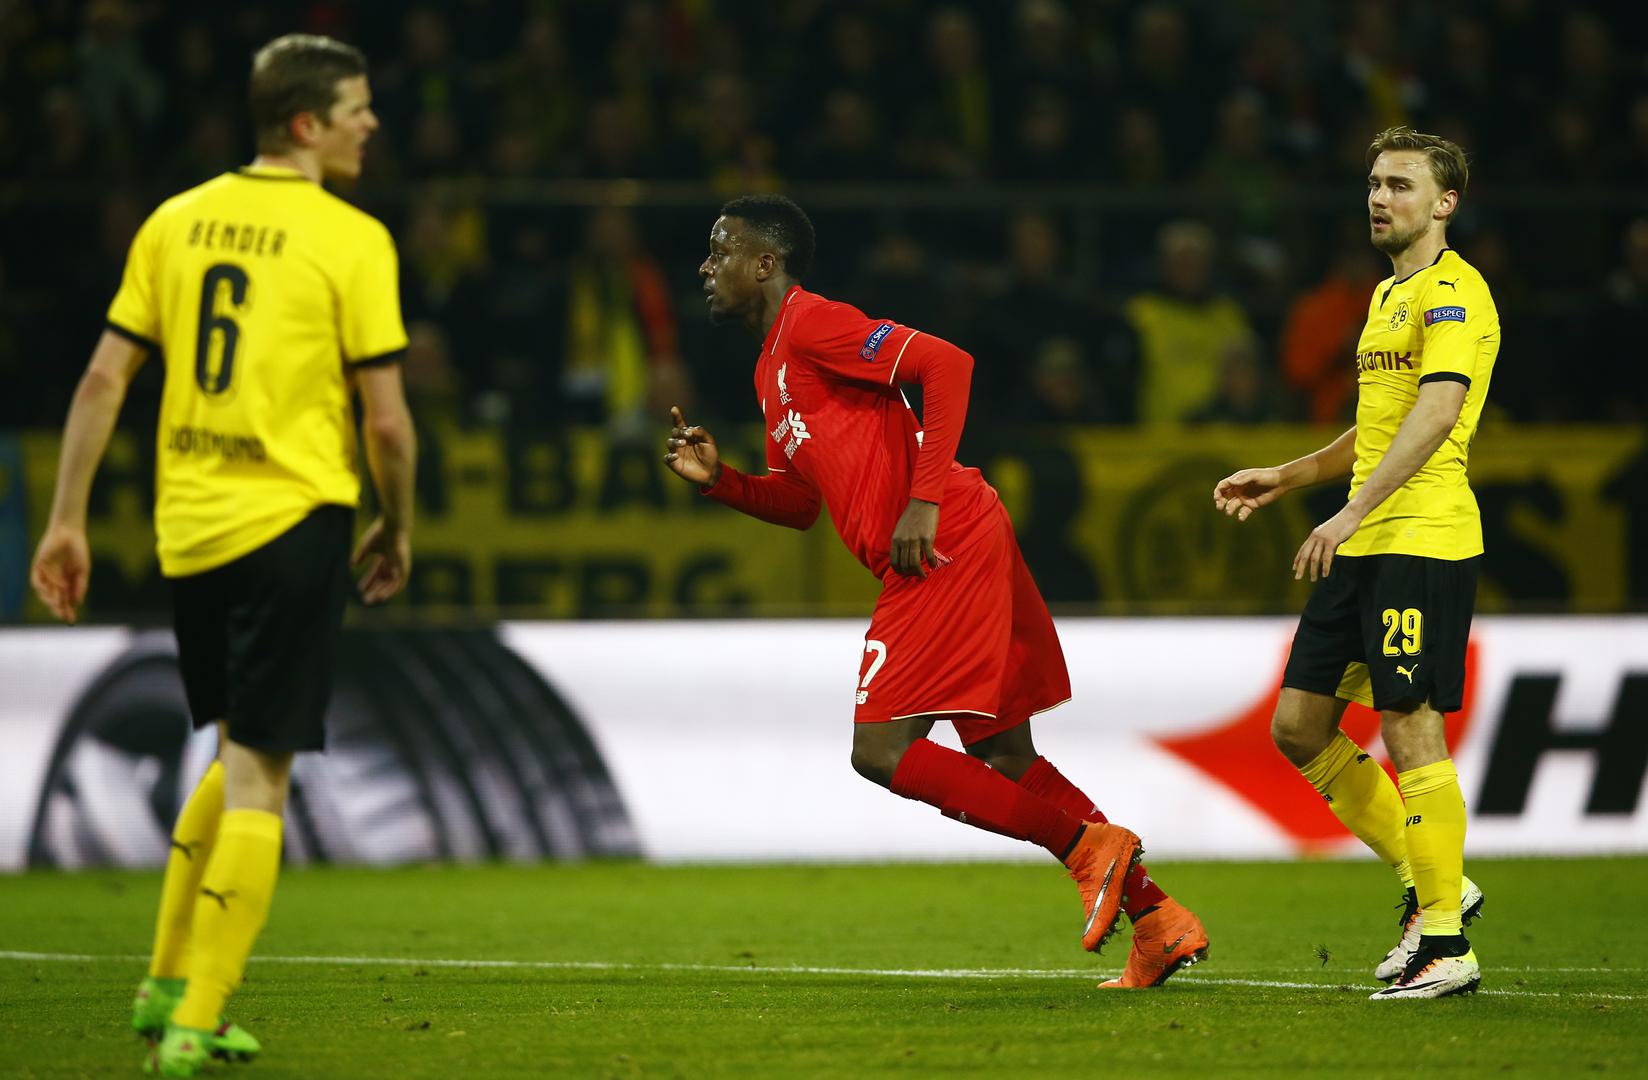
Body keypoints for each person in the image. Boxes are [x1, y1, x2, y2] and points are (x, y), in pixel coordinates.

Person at [665, 194, 1208, 988]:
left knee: (881, 751)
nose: (705, 267)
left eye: (720, 251)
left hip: (938, 540)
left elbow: (947, 364)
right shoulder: (769, 369)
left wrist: (921, 501)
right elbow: (803, 502)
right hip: (957, 534)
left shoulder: (813, 323)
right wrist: (724, 482)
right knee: (1003, 755)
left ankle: (1085, 848)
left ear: (765, 263)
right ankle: (1157, 920)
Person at [28, 33, 417, 1074]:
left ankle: (163, 987)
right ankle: (197, 1020)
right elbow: (385, 422)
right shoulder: (350, 239)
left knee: (237, 748)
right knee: (263, 779)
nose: (371, 123)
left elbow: (103, 380)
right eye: (355, 108)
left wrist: (66, 519)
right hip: (291, 520)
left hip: (192, 530)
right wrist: (398, 522)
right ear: (307, 123)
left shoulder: (175, 220)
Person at [1214, 126, 1498, 1000]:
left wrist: (1348, 512)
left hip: (1422, 537)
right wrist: (1290, 475)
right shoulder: (1387, 295)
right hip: (1370, 538)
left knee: (1410, 724)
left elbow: (1437, 414)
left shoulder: (1454, 293)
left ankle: (1445, 941)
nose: (1379, 198)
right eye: (1374, 183)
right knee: (1298, 726)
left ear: (1445, 203)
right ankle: (1432, 878)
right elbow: (1378, 426)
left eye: (1401, 185)